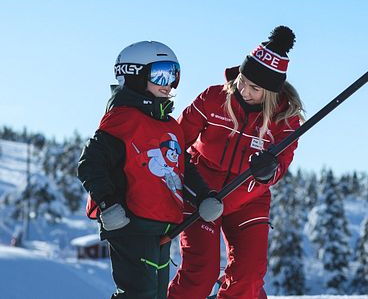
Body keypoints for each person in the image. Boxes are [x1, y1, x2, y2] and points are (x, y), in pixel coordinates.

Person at [77, 41, 224, 299]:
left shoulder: (170, 126)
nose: (169, 83)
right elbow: (91, 162)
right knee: (138, 293)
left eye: (174, 75)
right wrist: (107, 203)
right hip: (130, 223)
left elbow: (181, 169)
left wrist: (203, 196)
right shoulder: (122, 119)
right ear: (134, 75)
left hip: (162, 225)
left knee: (156, 294)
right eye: (161, 74)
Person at [168, 26, 304, 299]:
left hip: (248, 197)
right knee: (201, 273)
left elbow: (282, 161)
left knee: (249, 275)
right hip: (202, 194)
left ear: (271, 92)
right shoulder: (214, 98)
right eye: (242, 80)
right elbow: (174, 143)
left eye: (254, 88)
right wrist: (194, 188)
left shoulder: (284, 118)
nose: (244, 90)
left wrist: (269, 171)